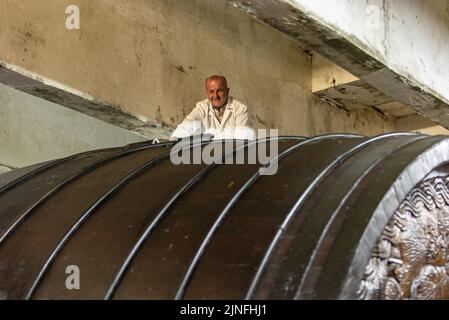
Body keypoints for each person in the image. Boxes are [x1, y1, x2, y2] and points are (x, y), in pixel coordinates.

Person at [170, 75, 255, 140]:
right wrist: (174, 139)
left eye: (220, 91)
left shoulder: (240, 109)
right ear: (206, 93)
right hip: (209, 156)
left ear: (227, 91)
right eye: (211, 91)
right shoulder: (201, 107)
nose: (215, 95)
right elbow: (186, 125)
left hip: (233, 157)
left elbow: (240, 140)